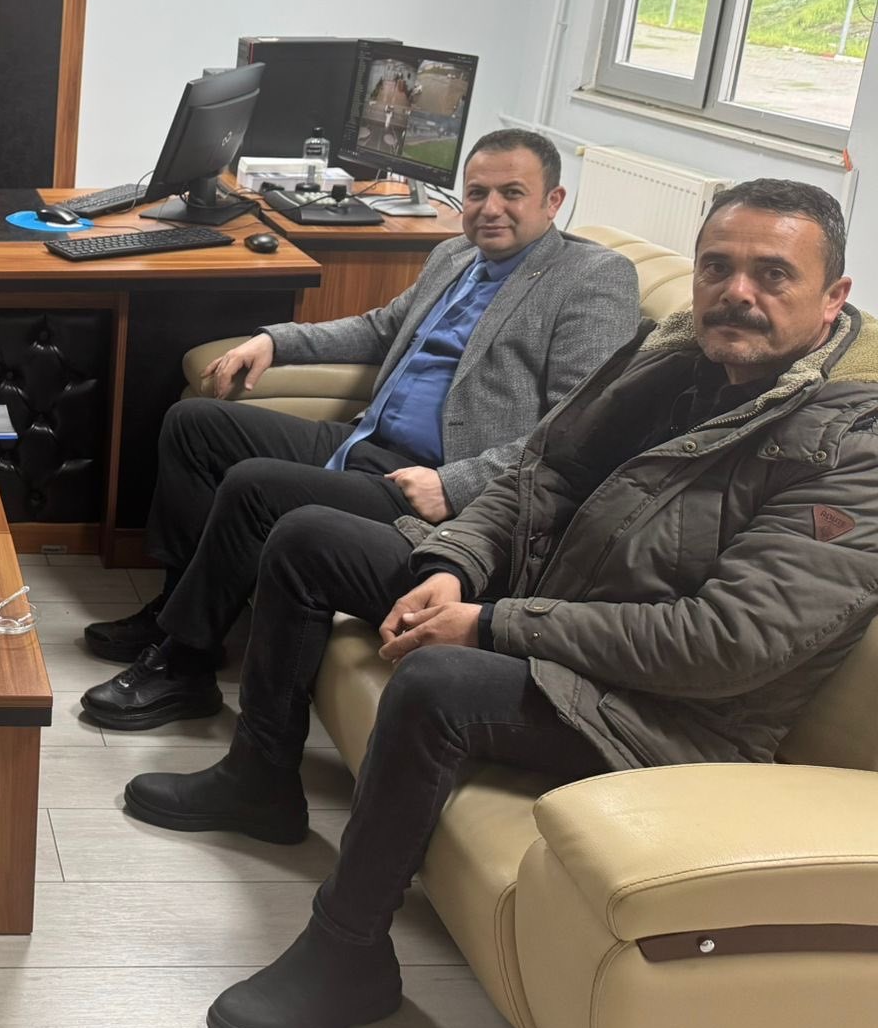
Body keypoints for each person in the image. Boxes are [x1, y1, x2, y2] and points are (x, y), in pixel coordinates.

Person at [134, 179, 877, 1028]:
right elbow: (541, 474)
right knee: (307, 538)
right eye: (717, 267)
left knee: (440, 681)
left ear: (833, 297)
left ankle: (348, 951)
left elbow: (726, 645)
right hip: (549, 607)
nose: (736, 292)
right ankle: (259, 778)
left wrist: (492, 625)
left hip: (668, 711)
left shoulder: (852, 447)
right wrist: (454, 566)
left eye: (773, 274)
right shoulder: (672, 360)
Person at [79, 129, 640, 729]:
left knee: (254, 485)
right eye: (477, 193)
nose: (490, 208)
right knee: (195, 424)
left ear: (553, 202)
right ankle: (175, 609)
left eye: (512, 193)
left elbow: (576, 433)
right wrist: (276, 340)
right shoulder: (455, 255)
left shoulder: (592, 278)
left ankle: (184, 667)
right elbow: (380, 328)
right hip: (365, 442)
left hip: (428, 482)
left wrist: (457, 483)